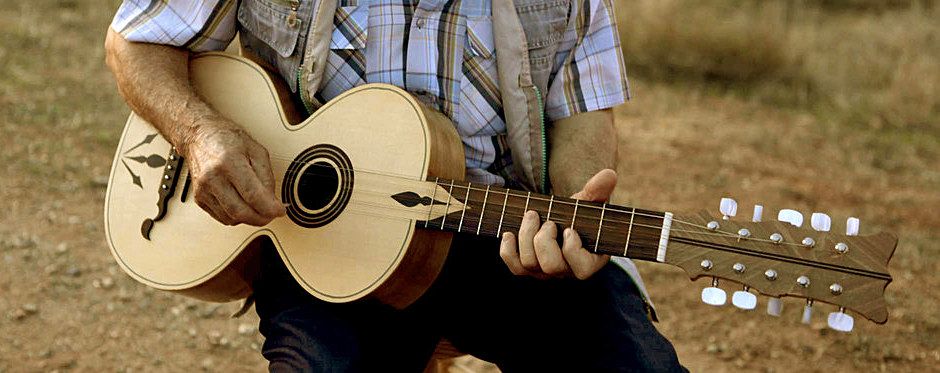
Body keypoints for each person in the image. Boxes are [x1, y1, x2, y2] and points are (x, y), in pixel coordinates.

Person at [105, 0, 686, 371]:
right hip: (324, 246)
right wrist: (200, 134)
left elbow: (582, 114)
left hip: (502, 233)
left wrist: (571, 214)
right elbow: (136, 39)